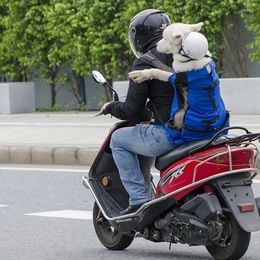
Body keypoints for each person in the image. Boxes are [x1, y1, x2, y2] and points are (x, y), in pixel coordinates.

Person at [97, 9, 175, 215]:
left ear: (139, 36)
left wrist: (110, 107)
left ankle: (139, 199)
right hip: (209, 130)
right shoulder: (187, 56)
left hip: (174, 133)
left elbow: (132, 110)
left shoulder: (145, 63)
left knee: (119, 139)